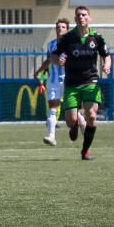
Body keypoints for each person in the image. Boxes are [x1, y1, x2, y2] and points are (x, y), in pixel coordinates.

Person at [52, 6, 110, 160]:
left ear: (89, 18)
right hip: (72, 84)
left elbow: (107, 55)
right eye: (78, 15)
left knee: (91, 115)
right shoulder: (68, 38)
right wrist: (58, 60)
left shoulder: (97, 38)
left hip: (91, 81)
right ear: (75, 19)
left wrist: (107, 65)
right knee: (71, 121)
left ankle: (85, 151)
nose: (81, 17)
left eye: (84, 15)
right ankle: (74, 124)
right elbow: (54, 56)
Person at [34, 18, 70, 146]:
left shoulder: (72, 44)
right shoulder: (51, 45)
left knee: (74, 112)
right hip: (54, 82)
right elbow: (49, 61)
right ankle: (51, 136)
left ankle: (85, 131)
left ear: (68, 29)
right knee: (52, 110)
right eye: (58, 27)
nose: (60, 29)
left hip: (69, 81)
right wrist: (39, 72)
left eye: (63, 27)